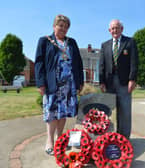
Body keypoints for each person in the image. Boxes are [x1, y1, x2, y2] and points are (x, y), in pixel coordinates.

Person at [35, 14, 84, 155]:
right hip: (52, 84)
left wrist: (80, 82)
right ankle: (49, 141)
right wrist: (40, 83)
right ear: (54, 26)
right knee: (51, 113)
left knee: (63, 112)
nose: (63, 28)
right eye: (60, 25)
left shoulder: (72, 42)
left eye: (65, 26)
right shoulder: (45, 41)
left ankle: (60, 138)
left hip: (69, 85)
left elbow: (79, 63)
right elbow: (38, 63)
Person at [99, 19, 138, 139]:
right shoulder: (105, 45)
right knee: (108, 111)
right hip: (109, 82)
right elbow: (102, 64)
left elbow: (134, 62)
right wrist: (101, 82)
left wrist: (132, 79)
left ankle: (124, 138)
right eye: (113, 28)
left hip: (124, 82)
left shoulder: (130, 42)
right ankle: (107, 137)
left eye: (117, 27)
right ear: (109, 30)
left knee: (124, 111)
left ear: (122, 29)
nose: (115, 30)